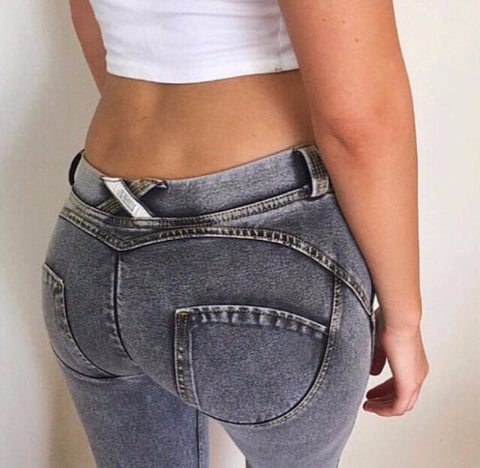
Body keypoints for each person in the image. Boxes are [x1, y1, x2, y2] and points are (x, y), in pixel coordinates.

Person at [41, 0, 429, 467]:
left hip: (90, 237)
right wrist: (404, 321)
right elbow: (359, 119)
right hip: (260, 249)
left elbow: (95, 25)